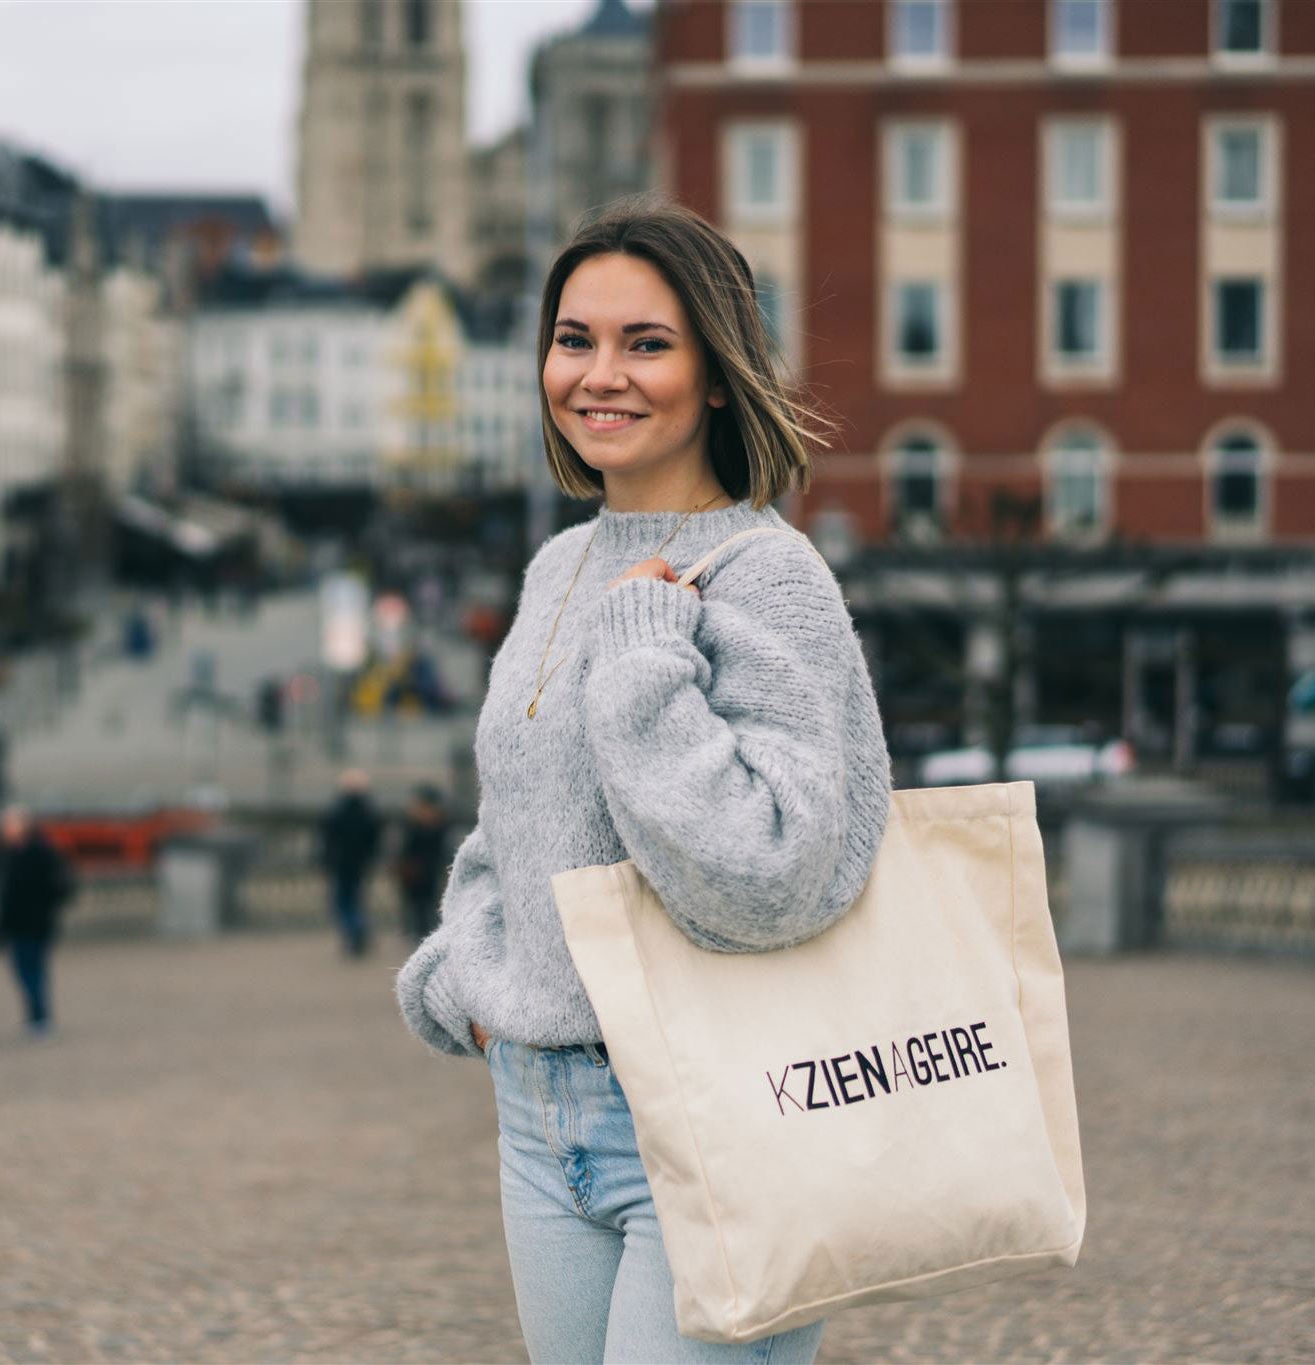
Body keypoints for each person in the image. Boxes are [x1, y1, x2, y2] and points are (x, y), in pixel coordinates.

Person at [395, 198, 892, 1364]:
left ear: (719, 374)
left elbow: (775, 876)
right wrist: (465, 983)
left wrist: (642, 665)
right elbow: (511, 827)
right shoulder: (559, 565)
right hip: (540, 1115)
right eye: (575, 340)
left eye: (646, 344)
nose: (598, 375)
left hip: (722, 1110)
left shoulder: (771, 579)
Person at [0, 805, 75, 1037]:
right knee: (23, 971)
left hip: (36, 922)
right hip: (16, 924)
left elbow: (59, 885)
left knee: (34, 970)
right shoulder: (6, 854)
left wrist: (46, 905)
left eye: (10, 825)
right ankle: (36, 1014)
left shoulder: (40, 852)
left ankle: (40, 1016)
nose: (6, 830)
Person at [318, 769, 382, 957]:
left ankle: (355, 931)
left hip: (341, 863)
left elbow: (328, 840)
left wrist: (325, 862)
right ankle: (359, 930)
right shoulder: (368, 812)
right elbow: (374, 840)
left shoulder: (337, 811)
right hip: (360, 864)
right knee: (356, 899)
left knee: (343, 901)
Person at [392, 784, 450, 944]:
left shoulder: (419, 824)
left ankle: (423, 933)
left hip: (420, 869)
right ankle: (422, 933)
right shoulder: (434, 823)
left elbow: (407, 847)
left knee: (422, 903)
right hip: (421, 869)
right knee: (420, 903)